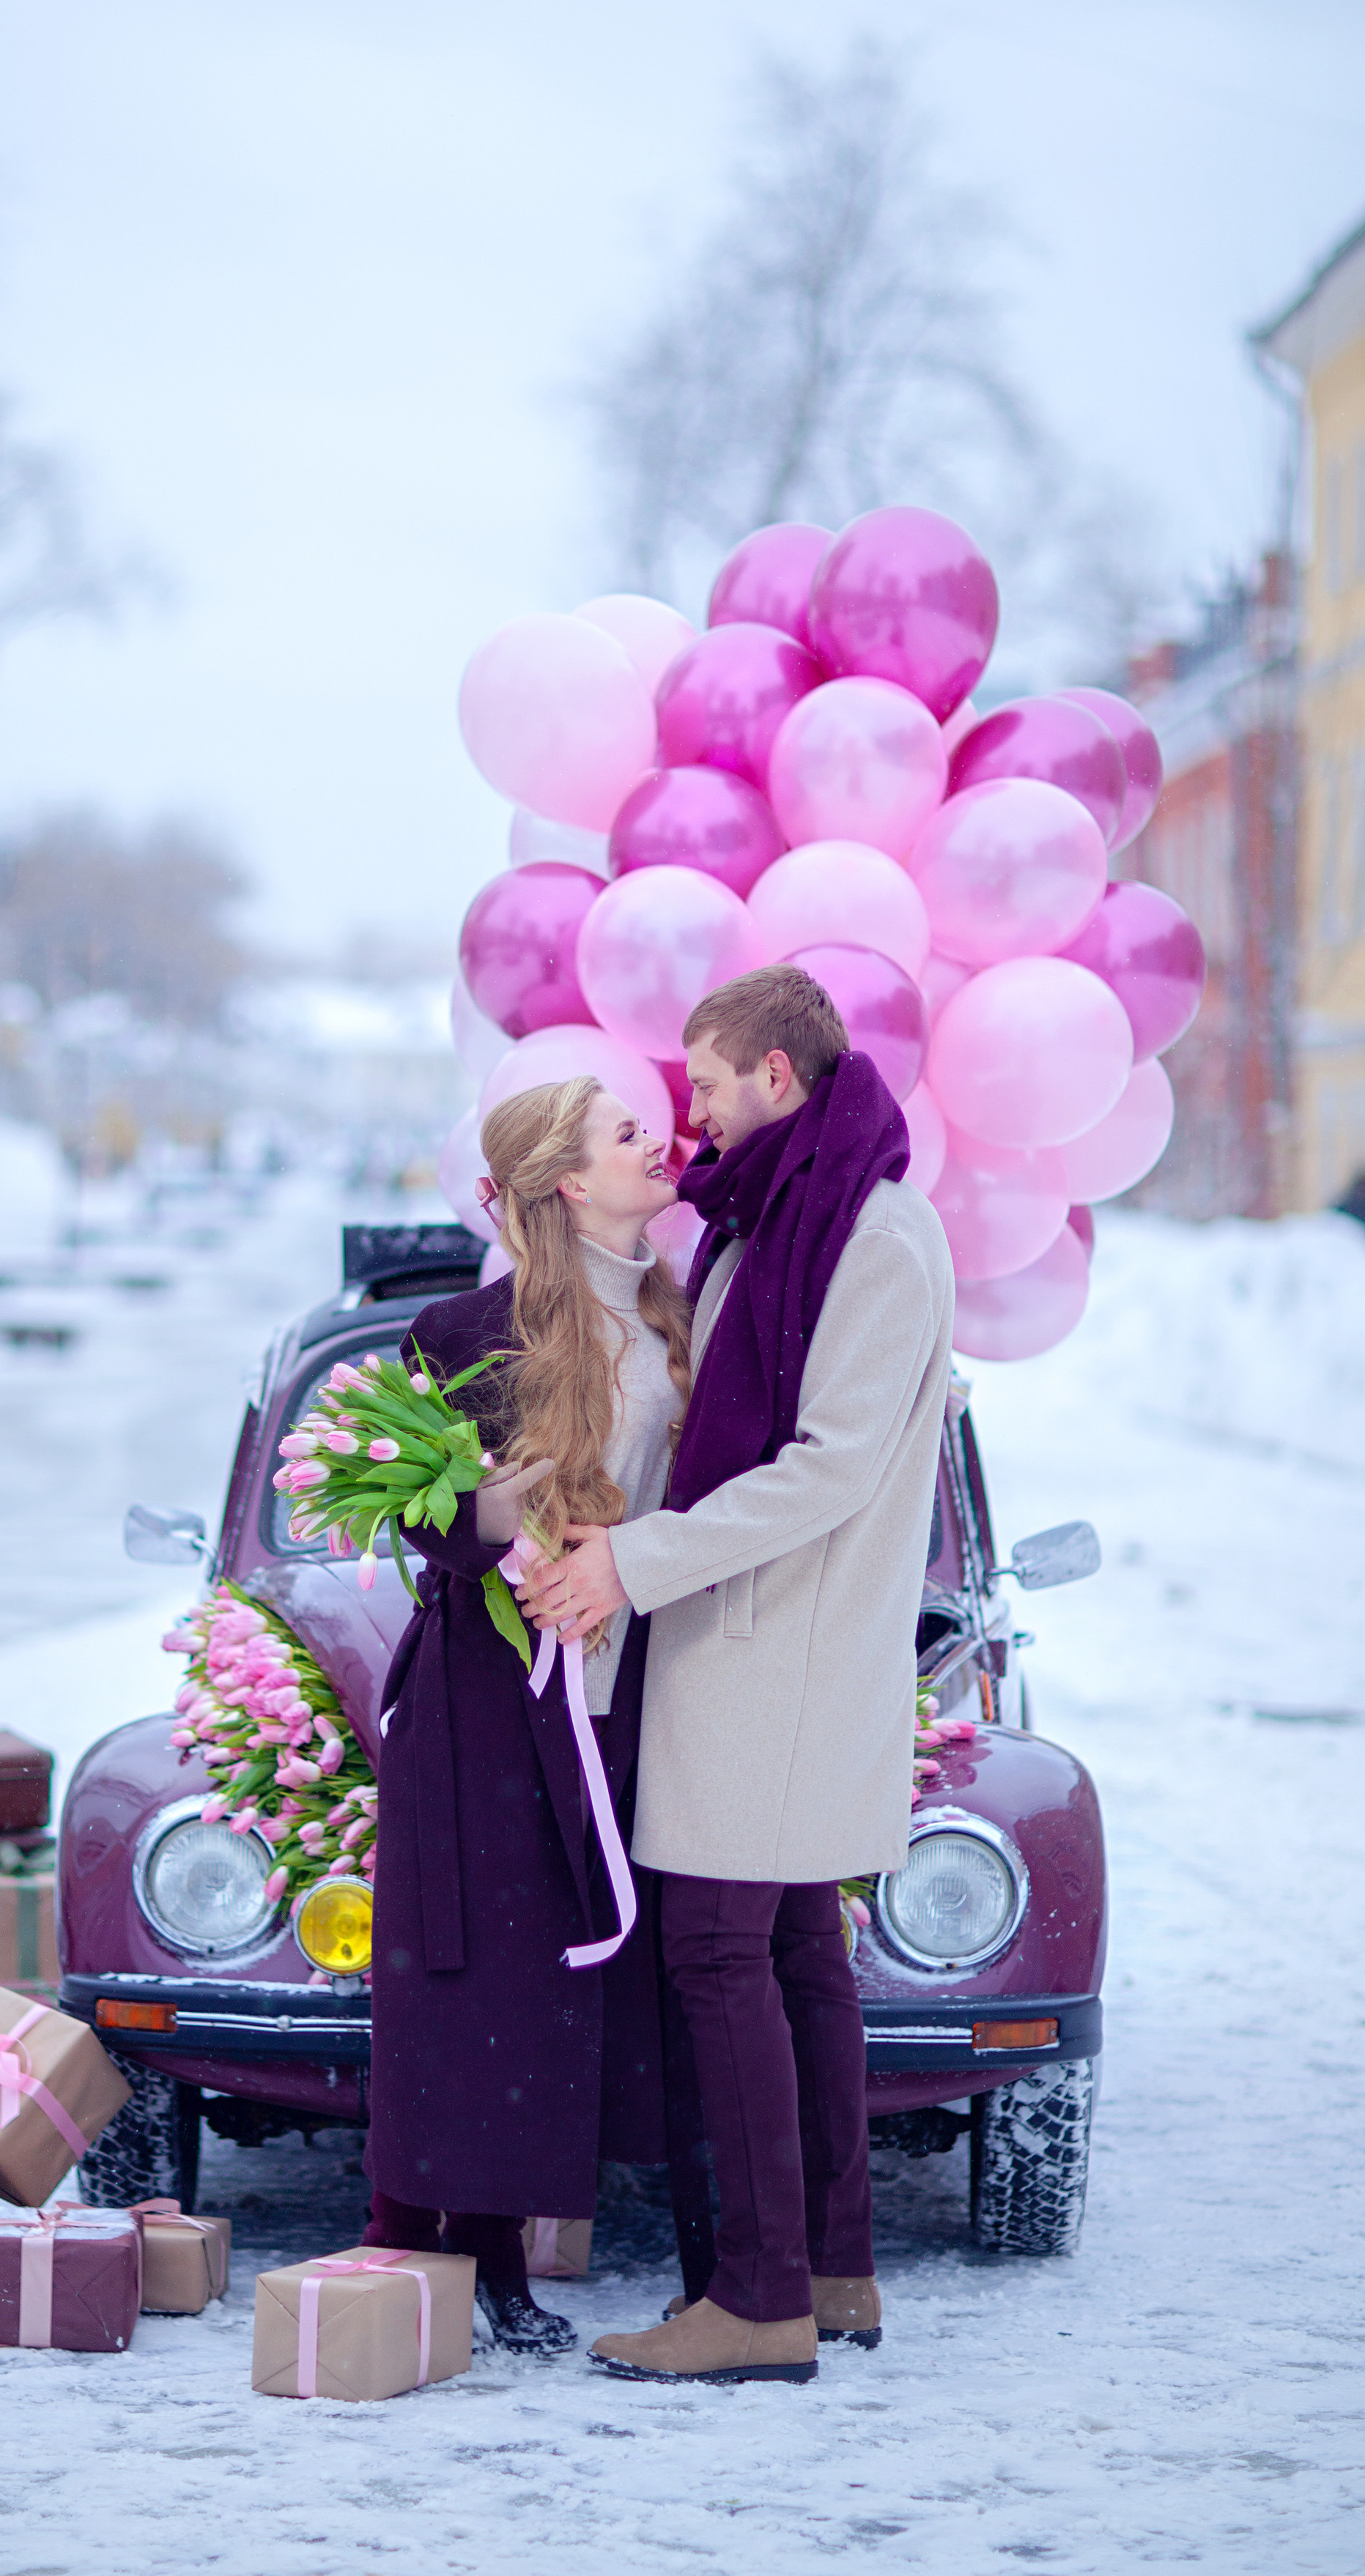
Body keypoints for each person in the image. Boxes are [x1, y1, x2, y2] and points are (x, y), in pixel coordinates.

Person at [518, 965, 955, 2385]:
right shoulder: (784, 1219)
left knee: (719, 1952)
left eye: (704, 1085)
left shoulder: (873, 1235)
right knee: (789, 1952)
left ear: (777, 1071)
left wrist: (633, 1561)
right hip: (759, 1640)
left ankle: (756, 2298)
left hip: (782, 1646)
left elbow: (826, 1468)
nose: (689, 1117)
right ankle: (830, 2273)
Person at [361, 1073, 691, 2351]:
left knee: (587, 1970)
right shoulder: (462, 1332)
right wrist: (507, 1515)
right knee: (478, 1978)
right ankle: (460, 2254)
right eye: (625, 1133)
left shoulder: (683, 1311)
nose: (655, 1139)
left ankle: (563, 2236)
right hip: (489, 1705)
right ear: (566, 1180)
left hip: (638, 1681)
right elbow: (412, 1509)